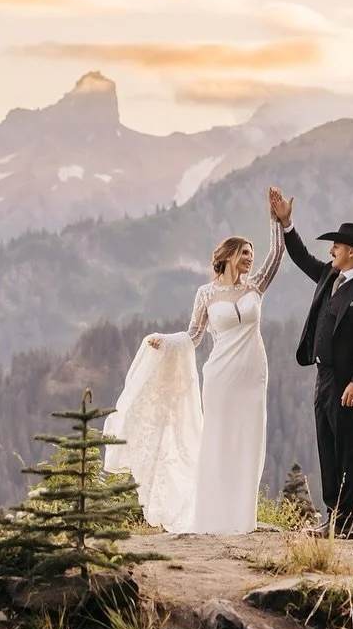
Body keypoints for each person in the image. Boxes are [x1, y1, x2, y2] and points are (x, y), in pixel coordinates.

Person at [102, 187, 286, 534]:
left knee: (248, 442)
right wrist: (165, 341)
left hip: (252, 375)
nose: (250, 258)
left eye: (251, 253)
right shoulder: (206, 294)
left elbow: (278, 254)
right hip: (220, 377)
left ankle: (240, 518)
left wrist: (277, 219)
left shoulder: (255, 287)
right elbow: (194, 336)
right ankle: (212, 518)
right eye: (245, 252)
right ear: (229, 255)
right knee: (218, 442)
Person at [269, 187, 353, 539]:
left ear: (352, 251)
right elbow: (302, 257)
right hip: (323, 377)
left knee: (349, 452)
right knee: (327, 448)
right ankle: (332, 519)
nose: (331, 250)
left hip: (348, 383)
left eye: (336, 246)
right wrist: (286, 223)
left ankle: (346, 525)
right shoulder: (328, 276)